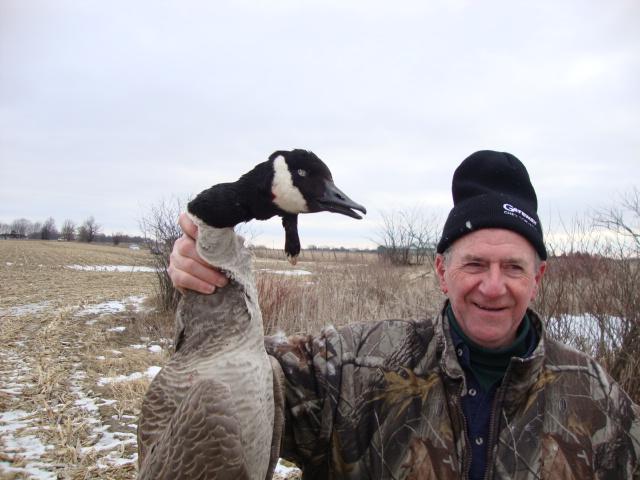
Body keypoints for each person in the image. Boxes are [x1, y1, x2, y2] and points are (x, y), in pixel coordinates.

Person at [168, 150, 640, 479]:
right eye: (474, 263)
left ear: (538, 277)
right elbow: (227, 378)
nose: (492, 286)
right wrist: (209, 269)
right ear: (442, 270)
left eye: (513, 267)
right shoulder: (350, 369)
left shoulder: (598, 398)